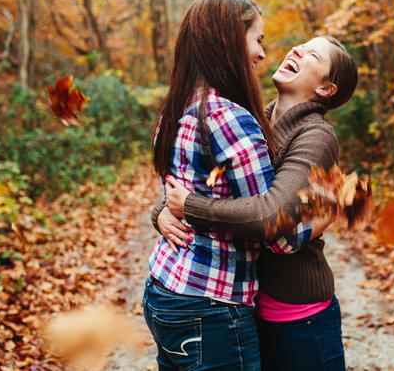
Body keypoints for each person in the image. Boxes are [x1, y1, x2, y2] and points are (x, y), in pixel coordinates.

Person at [153, 35, 359, 371]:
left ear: (325, 89)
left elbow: (272, 213)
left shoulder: (315, 135)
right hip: (245, 306)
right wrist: (161, 211)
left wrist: (190, 207)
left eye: (312, 55)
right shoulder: (249, 121)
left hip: (296, 313)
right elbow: (203, 186)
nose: (297, 50)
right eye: (301, 45)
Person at [143, 0, 311, 371]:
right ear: (232, 42)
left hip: (164, 287)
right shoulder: (228, 118)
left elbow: (182, 194)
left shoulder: (175, 107)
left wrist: (162, 213)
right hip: (210, 306)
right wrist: (322, 210)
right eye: (258, 39)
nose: (262, 54)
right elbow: (274, 232)